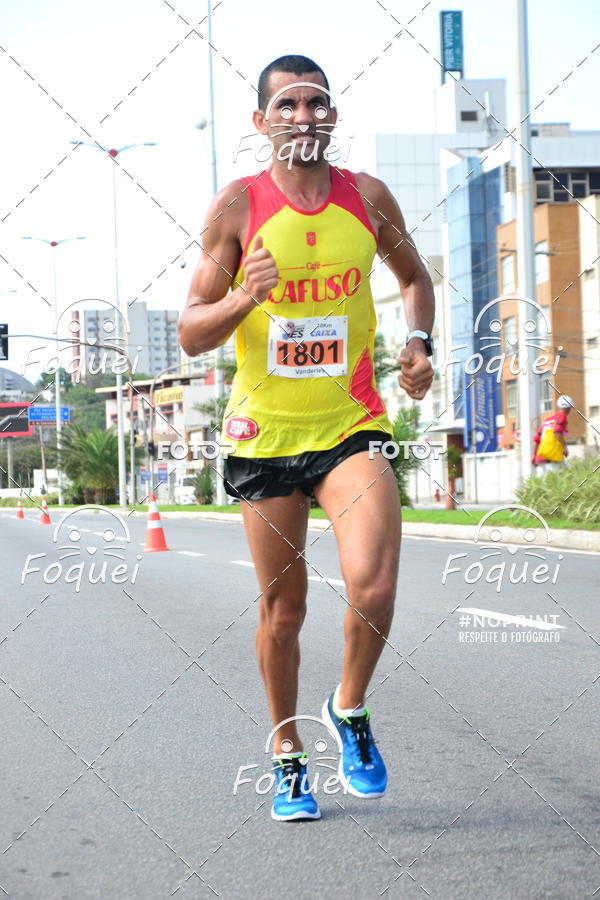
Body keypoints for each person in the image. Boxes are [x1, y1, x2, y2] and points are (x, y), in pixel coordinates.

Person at [178, 55, 435, 820]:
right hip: (264, 437)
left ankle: (348, 707)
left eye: (317, 103)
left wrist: (417, 342)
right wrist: (244, 297)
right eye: (286, 104)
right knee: (283, 613)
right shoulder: (237, 208)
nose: (304, 116)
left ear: (332, 116)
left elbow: (413, 277)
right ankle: (287, 753)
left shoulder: (367, 197)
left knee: (376, 585)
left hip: (351, 422)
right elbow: (192, 332)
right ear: (262, 123)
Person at [532, 395, 574, 474]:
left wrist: (534, 456)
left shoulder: (548, 420)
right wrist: (565, 447)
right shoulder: (562, 417)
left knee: (542, 482)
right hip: (551, 456)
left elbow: (537, 439)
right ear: (569, 408)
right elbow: (557, 432)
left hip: (541, 456)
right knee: (565, 475)